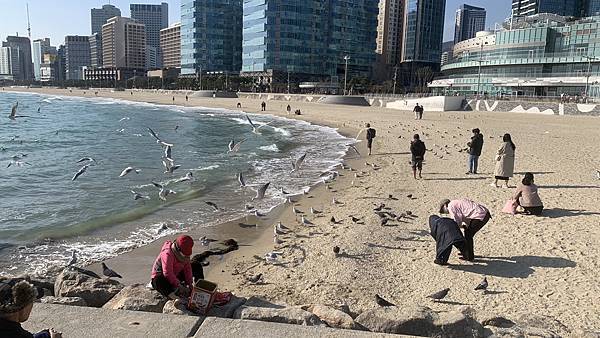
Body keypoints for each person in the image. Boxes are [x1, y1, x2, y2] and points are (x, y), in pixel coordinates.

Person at [151, 235, 195, 299]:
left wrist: (190, 284)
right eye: (184, 254)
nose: (185, 256)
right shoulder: (168, 253)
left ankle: (196, 289)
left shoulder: (185, 255)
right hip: (163, 276)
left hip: (175, 274)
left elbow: (187, 268)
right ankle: (172, 295)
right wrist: (179, 285)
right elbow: (168, 273)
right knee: (158, 281)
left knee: (196, 265)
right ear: (178, 249)